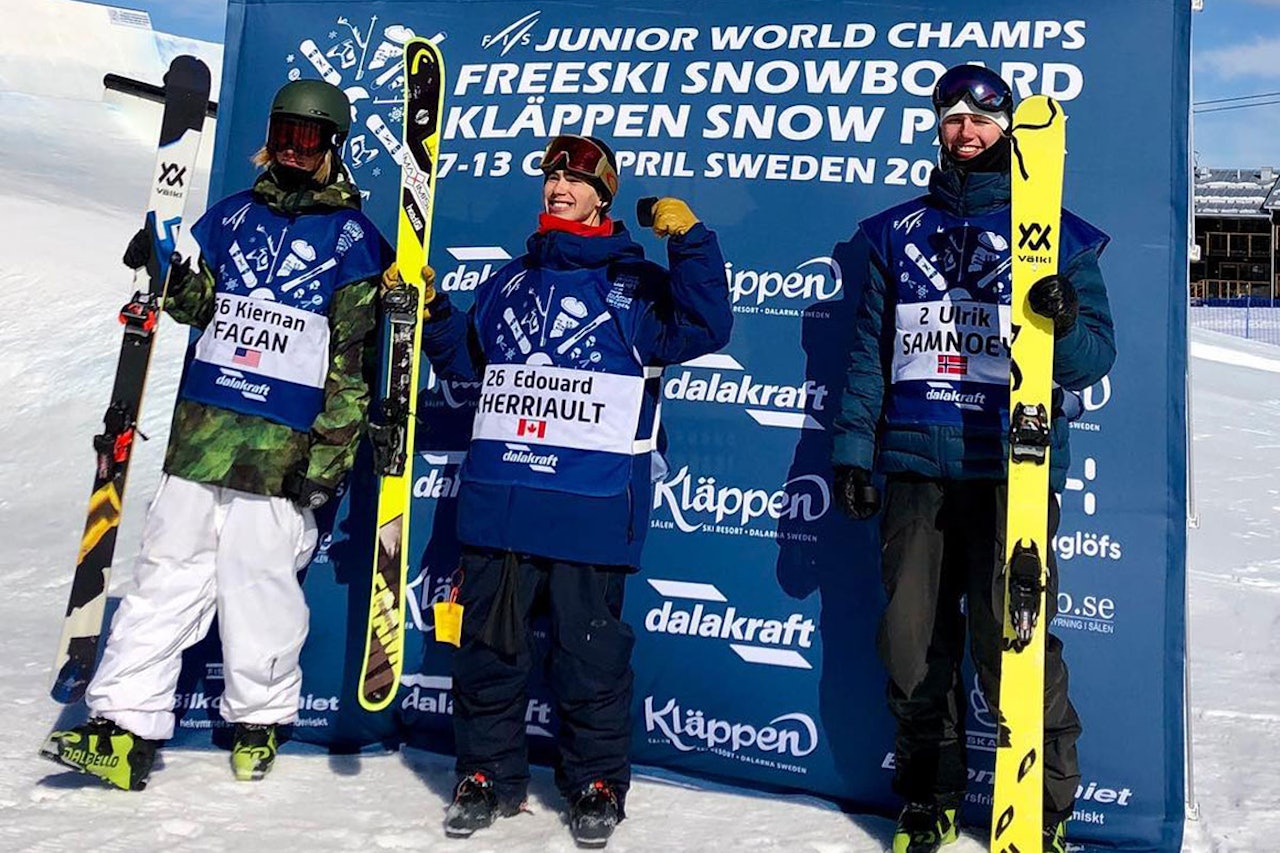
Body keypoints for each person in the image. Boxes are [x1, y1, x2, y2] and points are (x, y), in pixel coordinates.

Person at [41, 79, 391, 790]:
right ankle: (121, 726)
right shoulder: (229, 218)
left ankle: (258, 718)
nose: (295, 151)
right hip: (203, 438)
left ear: (333, 147)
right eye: (285, 135)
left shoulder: (355, 242)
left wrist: (327, 458)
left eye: (310, 139)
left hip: (279, 449)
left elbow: (353, 366)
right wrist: (166, 268)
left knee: (258, 584)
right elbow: (199, 306)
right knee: (163, 578)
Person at [400, 134, 731, 846]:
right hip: (502, 505)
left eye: (577, 181)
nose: (559, 188)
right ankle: (485, 773)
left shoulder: (635, 285)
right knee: (489, 657)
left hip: (589, 507)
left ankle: (595, 784)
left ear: (602, 197)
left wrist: (694, 244)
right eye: (552, 177)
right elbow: (471, 363)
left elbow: (707, 324)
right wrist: (434, 312)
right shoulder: (510, 281)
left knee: (590, 660)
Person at [830, 65, 1115, 853]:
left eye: (982, 120)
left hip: (1009, 471)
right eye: (952, 119)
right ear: (938, 128)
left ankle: (1044, 808)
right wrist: (855, 452)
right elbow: (867, 354)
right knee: (913, 641)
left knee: (1013, 641)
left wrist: (1060, 324)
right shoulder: (896, 232)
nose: (967, 132)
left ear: (1008, 130)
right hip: (919, 467)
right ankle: (928, 796)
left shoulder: (1060, 231)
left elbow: (1094, 359)